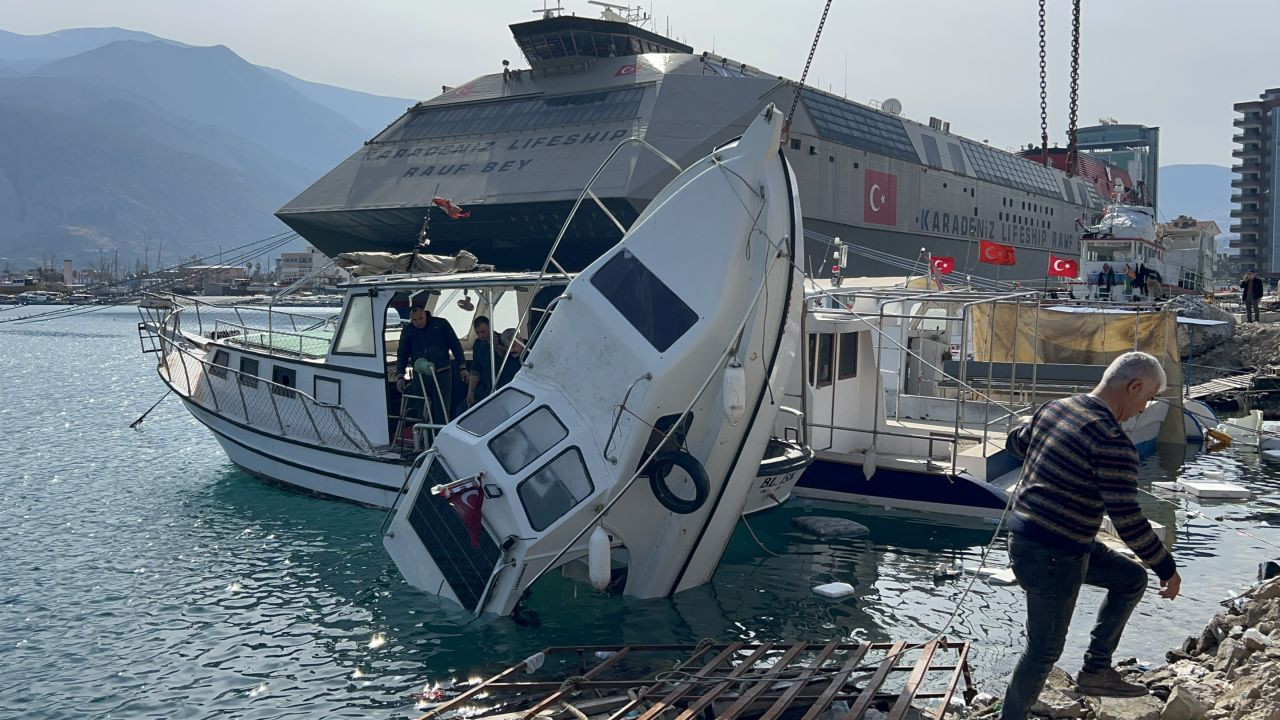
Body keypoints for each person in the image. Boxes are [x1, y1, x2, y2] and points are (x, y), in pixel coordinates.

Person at [1000, 352, 1181, 719]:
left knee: (1130, 578)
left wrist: (1048, 436)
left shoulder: (1055, 409)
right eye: (1147, 398)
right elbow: (1128, 521)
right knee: (1043, 651)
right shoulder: (1112, 442)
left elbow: (1015, 443)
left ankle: (1096, 670)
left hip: (1044, 541)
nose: (1144, 409)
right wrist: (1167, 568)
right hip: (1053, 553)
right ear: (1133, 387)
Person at [395, 303, 468, 424]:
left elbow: (455, 345)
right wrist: (400, 375)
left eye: (420, 318)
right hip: (421, 376)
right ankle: (424, 439)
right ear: (410, 319)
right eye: (414, 320)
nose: (418, 322)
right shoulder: (408, 330)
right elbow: (402, 353)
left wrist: (462, 367)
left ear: (425, 313)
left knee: (442, 410)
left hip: (442, 373)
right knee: (421, 410)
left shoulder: (441, 324)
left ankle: (440, 438)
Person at [466, 315, 495, 407]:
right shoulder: (477, 344)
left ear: (490, 327)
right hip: (485, 386)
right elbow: (475, 368)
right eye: (477, 333)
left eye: (483, 332)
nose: (480, 335)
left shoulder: (501, 340)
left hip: (500, 385)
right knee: (462, 409)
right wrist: (470, 391)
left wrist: (496, 346)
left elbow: (506, 354)